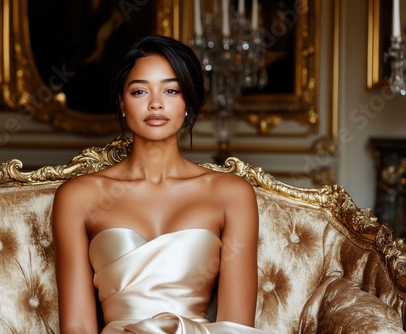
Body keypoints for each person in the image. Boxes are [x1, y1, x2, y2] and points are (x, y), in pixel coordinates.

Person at [52, 34, 269, 333]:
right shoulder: (79, 196)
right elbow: (77, 327)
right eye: (140, 91)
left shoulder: (231, 194)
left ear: (188, 102)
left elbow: (236, 326)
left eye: (170, 90)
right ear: (122, 102)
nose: (156, 104)